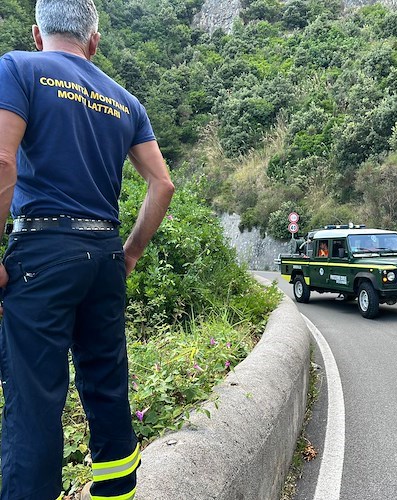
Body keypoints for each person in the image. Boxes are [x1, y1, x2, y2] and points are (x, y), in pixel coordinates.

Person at [0, 1, 175, 499]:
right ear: (94, 41)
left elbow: (2, 161)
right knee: (106, 386)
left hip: (42, 250)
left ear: (37, 33)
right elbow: (161, 185)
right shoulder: (125, 101)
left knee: (34, 402)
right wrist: (131, 253)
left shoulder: (18, 68)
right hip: (103, 254)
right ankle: (117, 494)